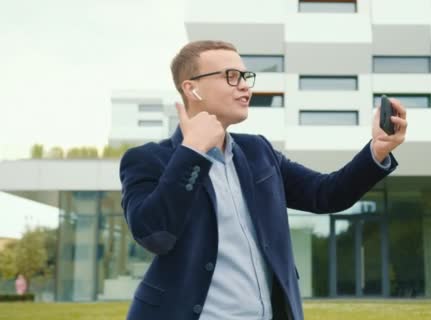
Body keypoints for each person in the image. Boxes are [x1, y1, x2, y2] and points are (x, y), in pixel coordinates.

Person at [119, 40, 407, 320]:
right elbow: (154, 234)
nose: (245, 85)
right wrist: (192, 152)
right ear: (192, 89)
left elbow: (326, 194)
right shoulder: (147, 160)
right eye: (231, 77)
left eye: (245, 76)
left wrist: (378, 149)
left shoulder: (258, 152)